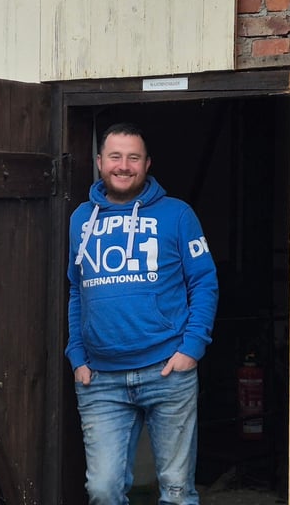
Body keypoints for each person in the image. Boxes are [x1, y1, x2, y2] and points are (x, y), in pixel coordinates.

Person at [66, 122, 219, 504]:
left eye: (133, 157)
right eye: (115, 157)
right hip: (99, 379)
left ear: (147, 163)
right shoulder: (81, 219)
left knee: (177, 491)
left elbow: (204, 282)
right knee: (102, 490)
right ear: (100, 162)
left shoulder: (177, 214)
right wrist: (77, 355)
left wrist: (192, 348)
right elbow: (76, 288)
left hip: (167, 370)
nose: (123, 165)